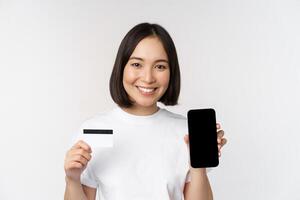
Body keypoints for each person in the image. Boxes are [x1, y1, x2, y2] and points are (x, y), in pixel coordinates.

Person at [64, 22, 227, 200]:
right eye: (136, 64)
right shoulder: (93, 130)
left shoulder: (186, 132)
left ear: (171, 72)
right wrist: (72, 179)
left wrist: (198, 165)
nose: (148, 78)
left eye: (160, 66)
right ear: (121, 68)